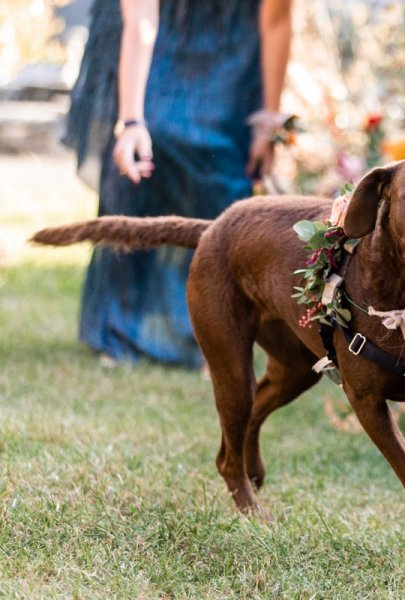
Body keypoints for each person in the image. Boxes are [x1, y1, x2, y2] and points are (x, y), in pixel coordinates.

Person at [64, 0, 292, 367]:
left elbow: (277, 20)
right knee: (148, 155)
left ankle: (216, 334)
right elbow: (140, 18)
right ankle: (121, 330)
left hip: (236, 53)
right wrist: (132, 122)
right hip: (152, 46)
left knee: (223, 176)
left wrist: (270, 122)